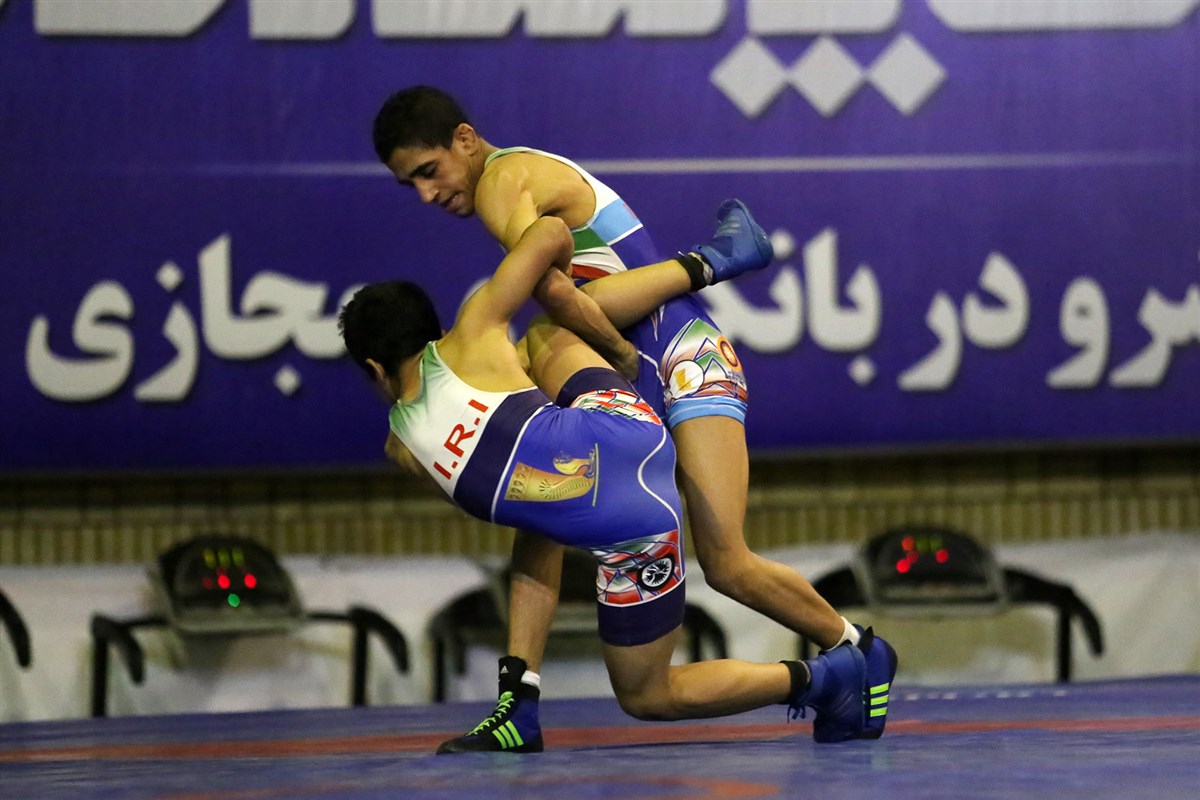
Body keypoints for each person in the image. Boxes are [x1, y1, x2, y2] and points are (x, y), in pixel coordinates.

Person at [371, 86, 897, 752]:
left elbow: (553, 288)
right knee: (665, 543)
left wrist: (620, 351)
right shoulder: (516, 177)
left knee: (543, 354)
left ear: (465, 141)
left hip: (674, 357)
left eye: (429, 171)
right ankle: (855, 653)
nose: (426, 194)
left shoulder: (503, 181)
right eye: (410, 185)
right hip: (682, 358)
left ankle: (857, 653)